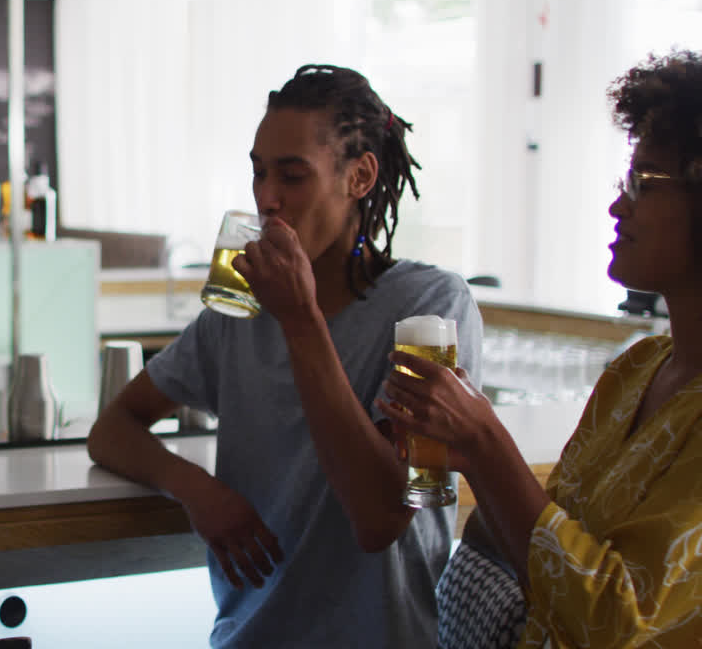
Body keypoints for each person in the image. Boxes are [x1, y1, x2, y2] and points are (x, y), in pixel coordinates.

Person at [87, 64, 483, 648]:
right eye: (259, 172)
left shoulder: (432, 309)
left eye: (292, 176)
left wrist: (301, 319)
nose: (266, 198)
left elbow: (382, 517)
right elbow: (111, 429)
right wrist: (196, 489)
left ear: (360, 177)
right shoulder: (241, 307)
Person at [379, 50, 702, 648]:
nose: (618, 205)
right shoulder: (636, 370)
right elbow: (545, 561)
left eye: (644, 181)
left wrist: (486, 444)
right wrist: (467, 448)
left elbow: (619, 626)